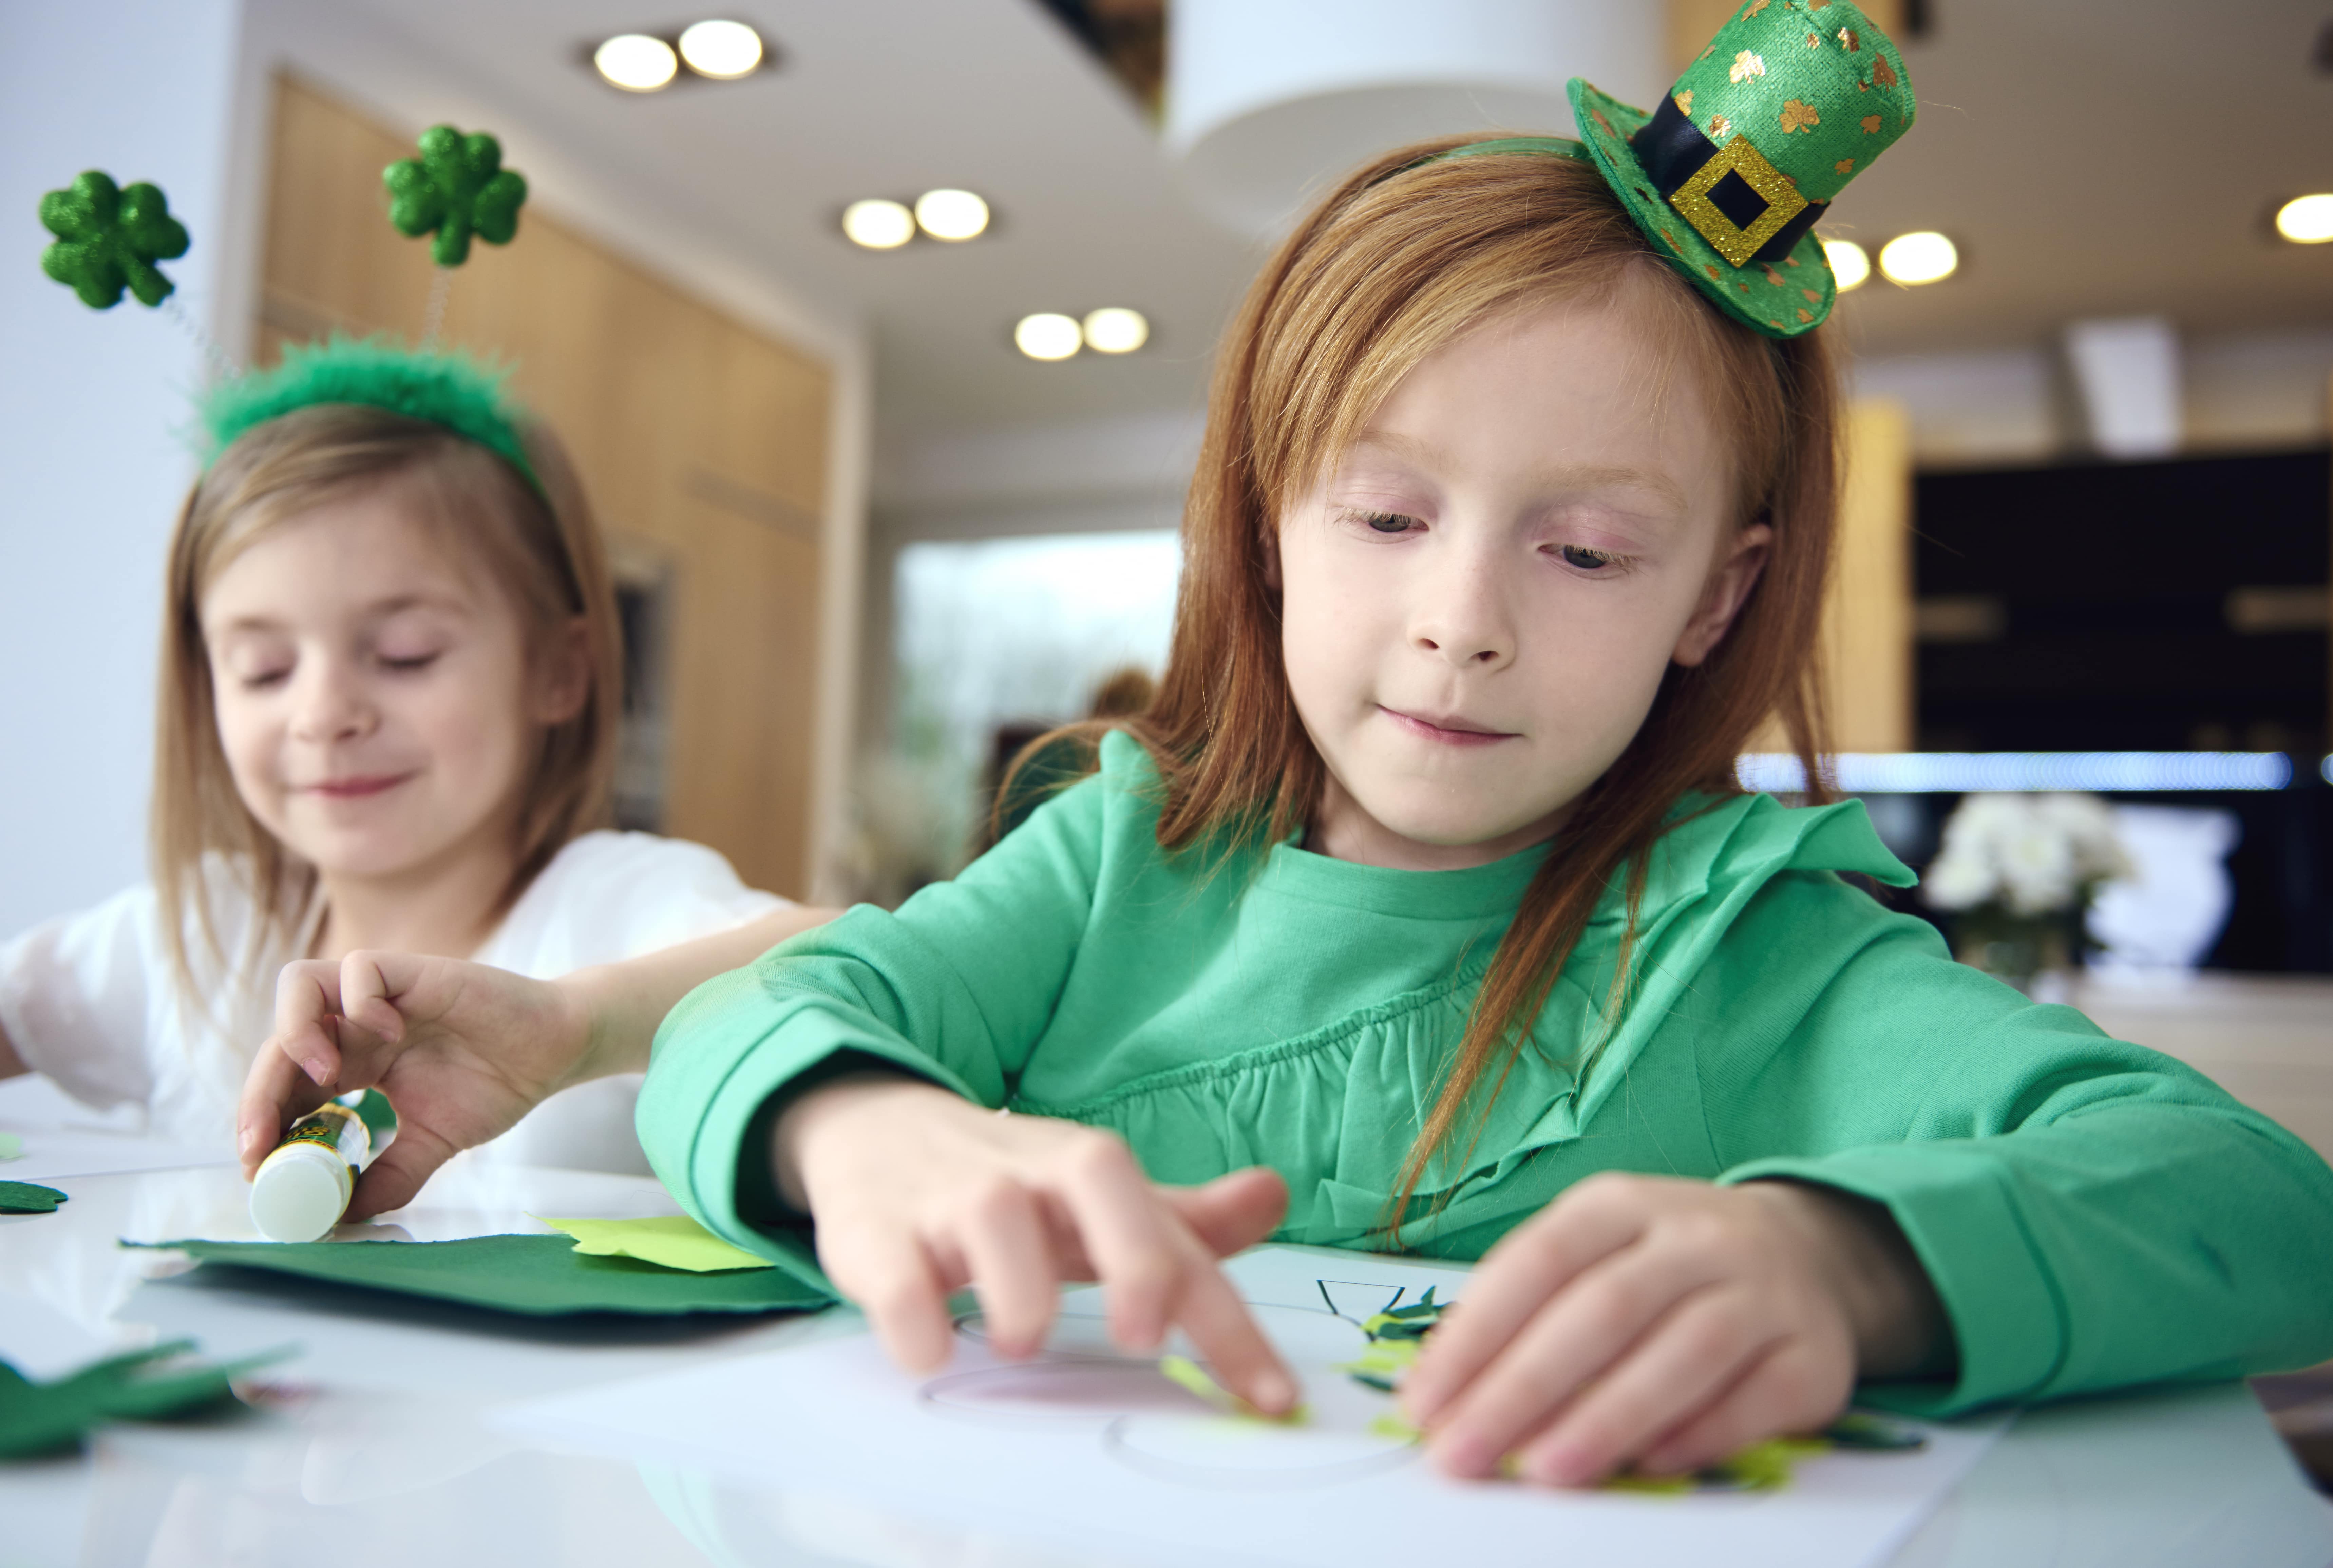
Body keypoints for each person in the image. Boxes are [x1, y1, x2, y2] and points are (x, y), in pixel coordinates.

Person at [241, 1, 2333, 1489]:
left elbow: (2258, 1202)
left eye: (1588, 546)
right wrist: (860, 1125)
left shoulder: (1765, 954)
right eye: (1392, 513)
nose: (1463, 613)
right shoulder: (1114, 853)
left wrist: (1844, 1256)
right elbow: (772, 1008)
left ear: (1715, 598)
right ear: (1266, 515)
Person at [0, 337, 831, 1177]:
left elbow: (844, 956)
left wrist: (573, 1020)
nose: (323, 715)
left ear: (557, 671)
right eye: (265, 670)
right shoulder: (195, 937)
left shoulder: (610, 909)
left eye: (405, 654)